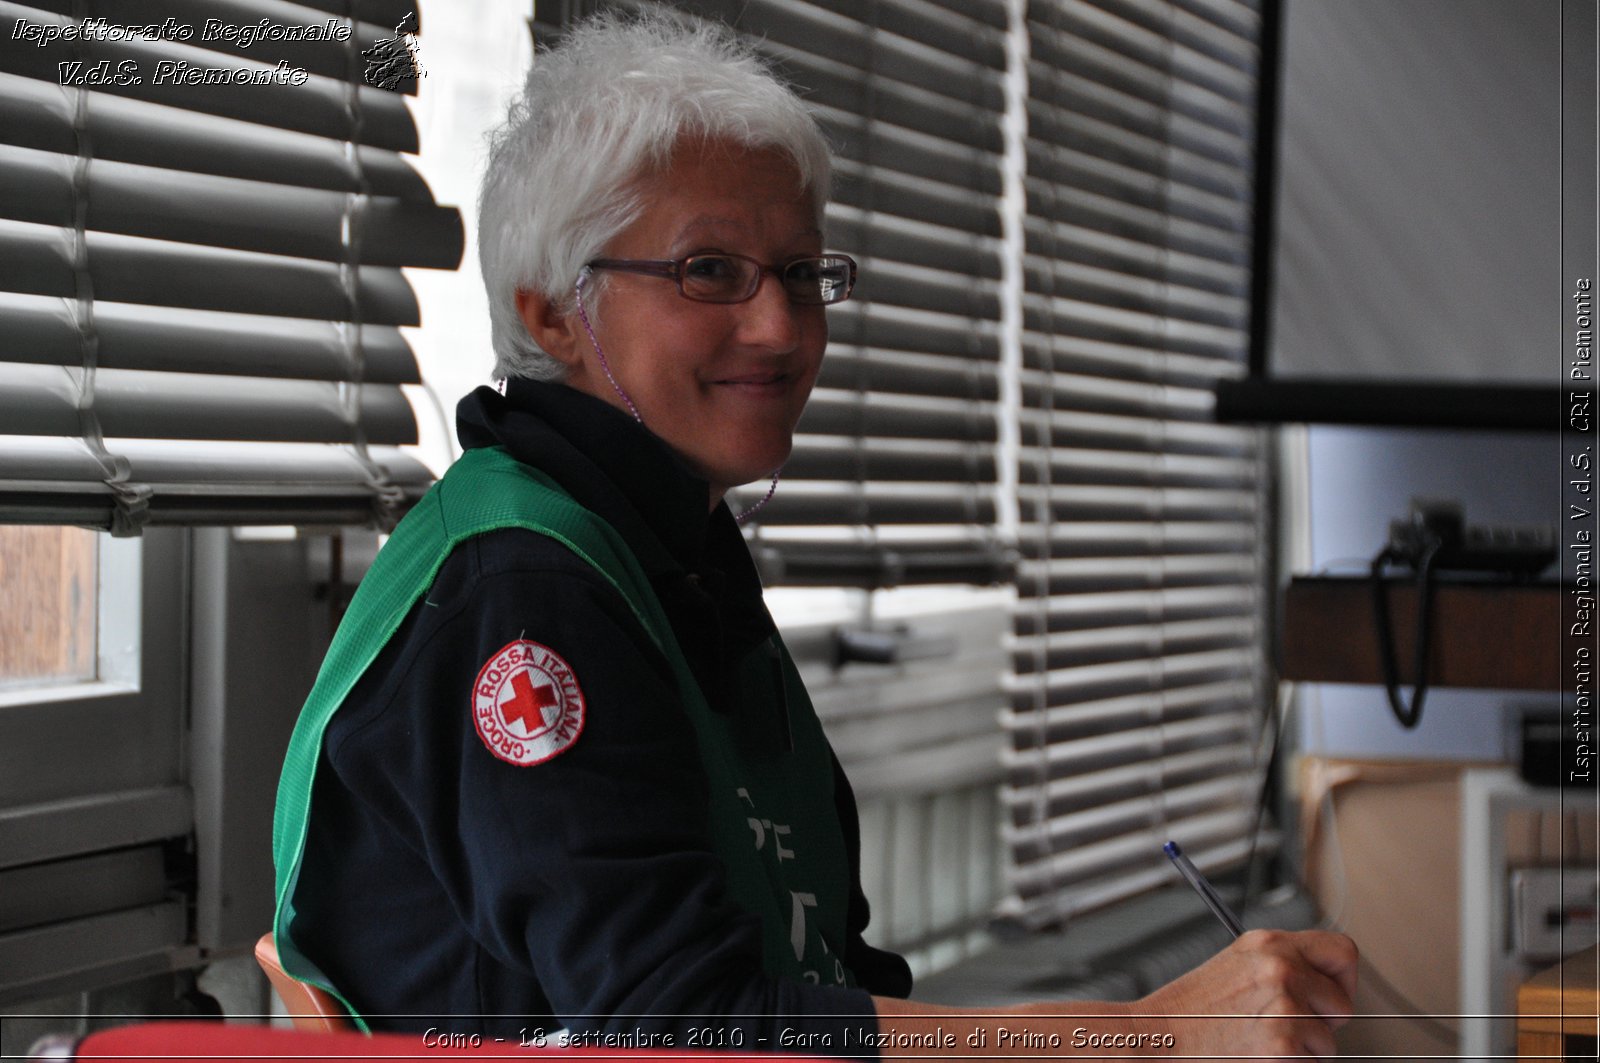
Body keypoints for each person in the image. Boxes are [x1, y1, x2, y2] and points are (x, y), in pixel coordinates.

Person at [271, 11, 1357, 1057]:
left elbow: (830, 971)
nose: (781, 327)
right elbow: (683, 1031)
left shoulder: (662, 544)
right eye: (709, 271)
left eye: (802, 274)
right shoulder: (521, 587)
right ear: (554, 311)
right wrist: (1140, 1037)